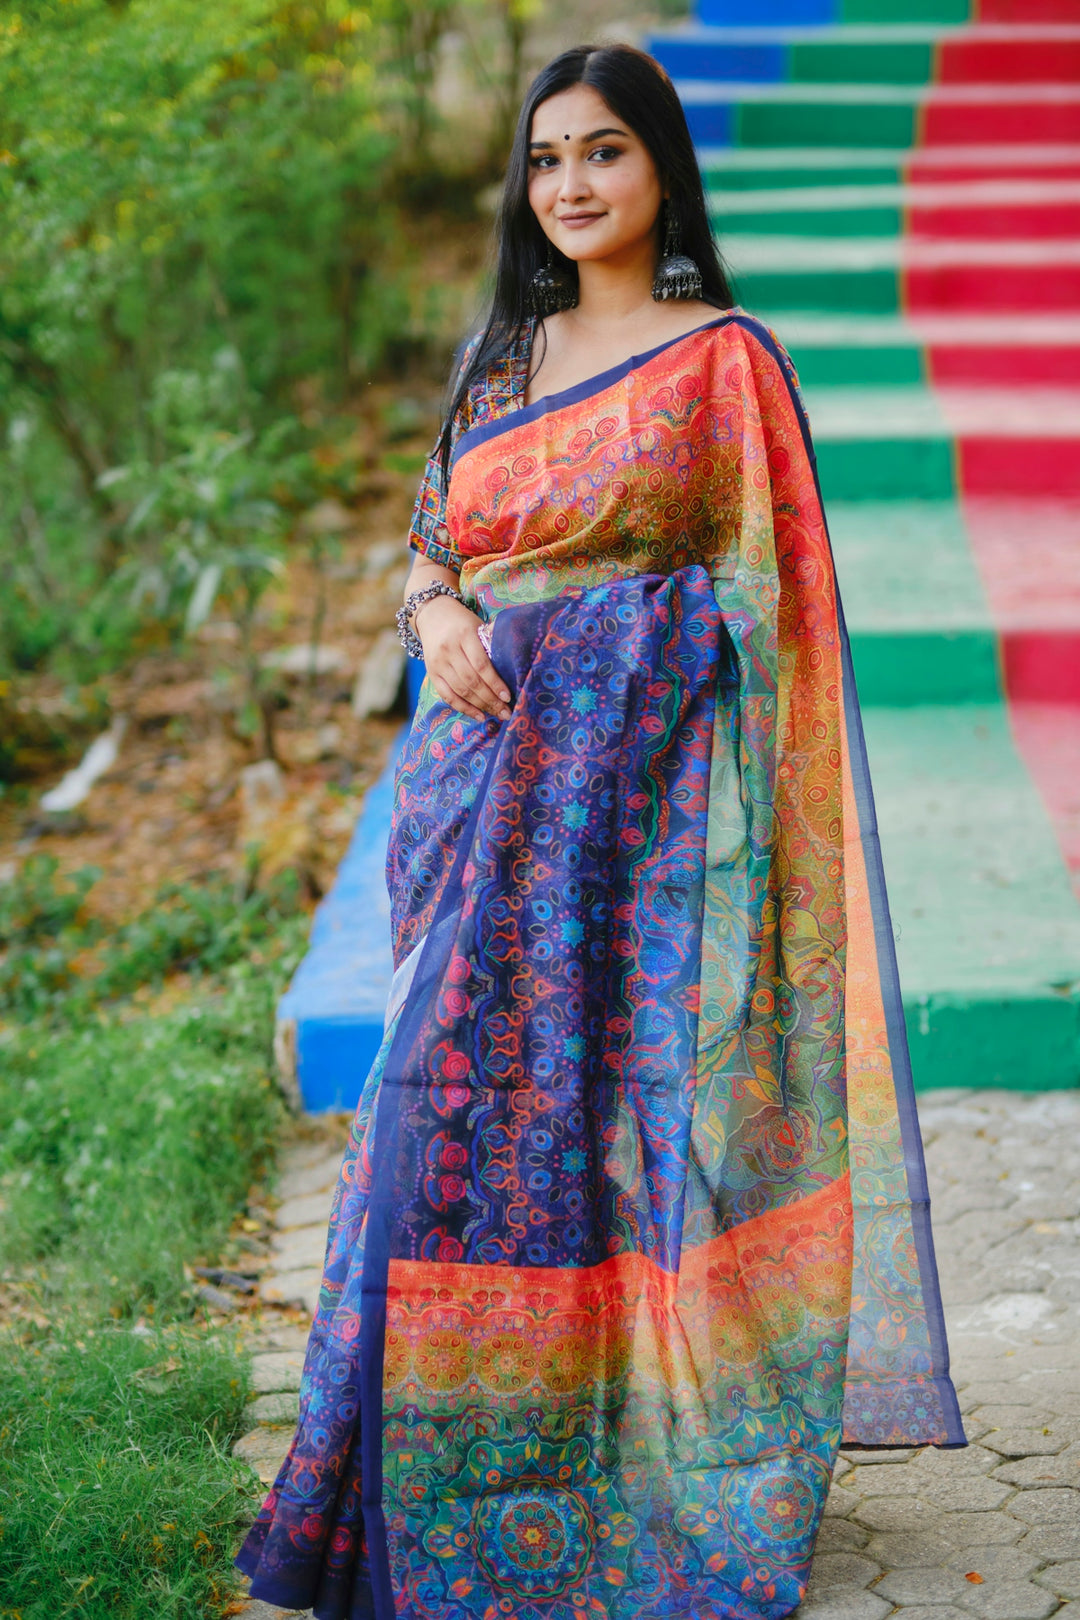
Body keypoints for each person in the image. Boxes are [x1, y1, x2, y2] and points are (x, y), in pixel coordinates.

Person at [237, 42, 963, 1620]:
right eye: (547, 158)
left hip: (651, 808)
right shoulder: (502, 357)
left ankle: (631, 1472)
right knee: (446, 1116)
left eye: (606, 153)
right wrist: (434, 612)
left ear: (662, 172)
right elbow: (433, 544)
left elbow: (781, 603)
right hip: (479, 799)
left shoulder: (725, 363)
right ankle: (403, 1482)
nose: (570, 185)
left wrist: (632, 651)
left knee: (633, 1137)